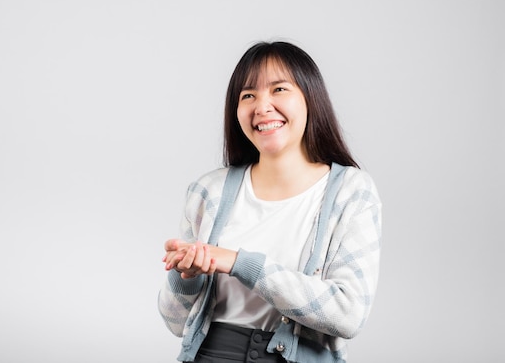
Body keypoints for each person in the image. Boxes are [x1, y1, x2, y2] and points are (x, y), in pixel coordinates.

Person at [158, 41, 382, 363]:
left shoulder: (351, 192)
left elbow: (348, 314)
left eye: (279, 89)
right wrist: (185, 275)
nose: (262, 106)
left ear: (310, 98)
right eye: (248, 95)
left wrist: (240, 263)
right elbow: (176, 323)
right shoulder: (208, 190)